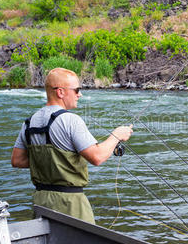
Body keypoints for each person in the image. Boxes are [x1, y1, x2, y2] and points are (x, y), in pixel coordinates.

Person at [11, 67, 133, 224]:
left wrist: (51, 163)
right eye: (77, 90)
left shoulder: (29, 122)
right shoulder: (70, 120)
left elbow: (17, 160)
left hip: (40, 202)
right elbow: (97, 157)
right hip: (71, 205)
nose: (80, 94)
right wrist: (117, 135)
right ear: (61, 92)